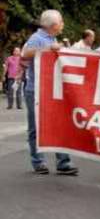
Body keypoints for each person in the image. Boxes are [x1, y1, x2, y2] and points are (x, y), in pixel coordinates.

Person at [21, 10, 78, 175]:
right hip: (36, 90)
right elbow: (26, 54)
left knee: (59, 125)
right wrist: (48, 48)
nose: (63, 25)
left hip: (51, 90)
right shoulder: (37, 38)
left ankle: (63, 162)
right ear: (53, 25)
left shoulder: (52, 38)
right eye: (61, 22)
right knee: (35, 128)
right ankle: (39, 162)